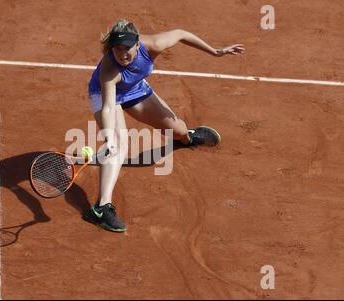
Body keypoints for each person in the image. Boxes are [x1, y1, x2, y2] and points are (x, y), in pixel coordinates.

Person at [84, 19, 245, 232]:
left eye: (127, 48)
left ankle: (188, 137)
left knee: (178, 130)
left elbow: (181, 32)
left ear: (138, 44)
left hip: (135, 88)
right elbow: (107, 108)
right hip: (107, 95)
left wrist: (215, 51)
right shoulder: (109, 70)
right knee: (119, 146)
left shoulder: (154, 45)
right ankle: (102, 208)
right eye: (117, 49)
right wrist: (109, 138)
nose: (122, 54)